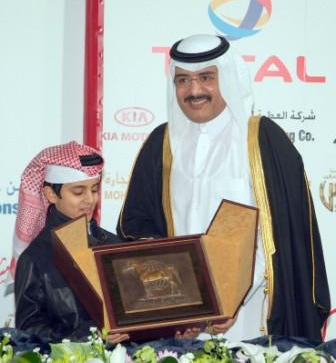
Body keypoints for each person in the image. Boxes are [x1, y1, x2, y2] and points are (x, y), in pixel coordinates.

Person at [116, 34, 331, 341]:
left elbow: (281, 233)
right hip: (183, 321)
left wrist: (230, 299)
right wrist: (174, 300)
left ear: (227, 78)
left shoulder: (262, 140)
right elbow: (138, 231)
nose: (194, 90)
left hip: (252, 313)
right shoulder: (160, 145)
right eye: (183, 80)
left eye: (206, 78)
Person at [14, 141, 129, 343]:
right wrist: (90, 338)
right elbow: (29, 331)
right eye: (78, 192)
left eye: (94, 190)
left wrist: (171, 330)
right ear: (51, 194)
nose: (89, 200)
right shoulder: (35, 258)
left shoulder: (114, 243)